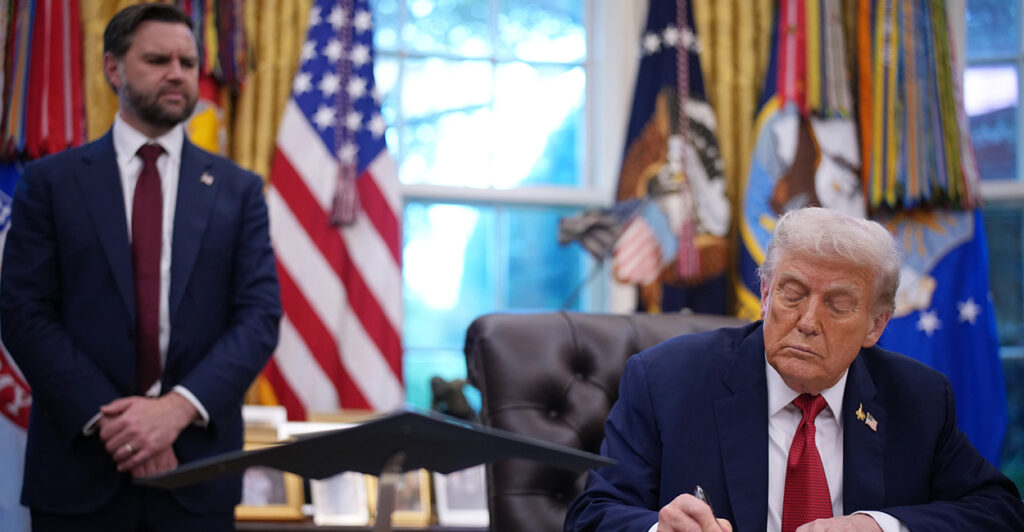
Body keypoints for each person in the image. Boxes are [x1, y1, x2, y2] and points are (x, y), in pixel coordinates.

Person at [564, 207, 1024, 532]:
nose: (807, 322)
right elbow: (592, 515)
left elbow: (998, 510)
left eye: (838, 305)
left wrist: (881, 526)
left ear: (876, 325)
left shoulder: (917, 398)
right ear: (765, 296)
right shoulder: (666, 381)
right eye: (792, 293)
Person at [0, 3, 280, 530]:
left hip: (196, 473)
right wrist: (123, 425)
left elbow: (259, 318)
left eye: (188, 61)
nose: (177, 73)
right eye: (157, 59)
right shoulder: (49, 183)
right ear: (113, 68)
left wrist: (174, 410)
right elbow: (23, 313)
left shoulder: (238, 192)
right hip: (77, 474)